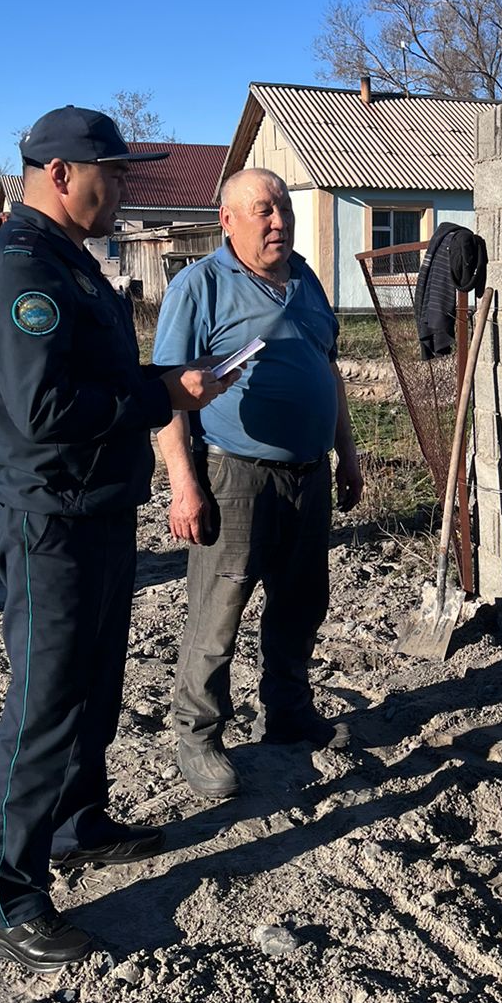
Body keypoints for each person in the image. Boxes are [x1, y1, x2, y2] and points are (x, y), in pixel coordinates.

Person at [0, 106, 236, 971]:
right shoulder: (18, 270)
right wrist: (164, 399)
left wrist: (165, 381)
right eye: (111, 173)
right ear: (58, 175)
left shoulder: (70, 264)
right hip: (51, 519)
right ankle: (10, 891)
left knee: (95, 685)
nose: (124, 187)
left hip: (98, 508)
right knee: (46, 699)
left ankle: (79, 825)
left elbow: (98, 379)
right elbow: (45, 411)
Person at [153, 168, 364, 799]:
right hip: (234, 473)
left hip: (309, 473)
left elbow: (328, 371)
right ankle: (199, 734)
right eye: (262, 211)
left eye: (284, 210)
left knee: (301, 603)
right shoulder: (201, 286)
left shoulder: (305, 279)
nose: (278, 221)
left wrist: (346, 453)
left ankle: (288, 713)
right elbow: (168, 394)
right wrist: (184, 485)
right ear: (227, 220)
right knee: (218, 611)